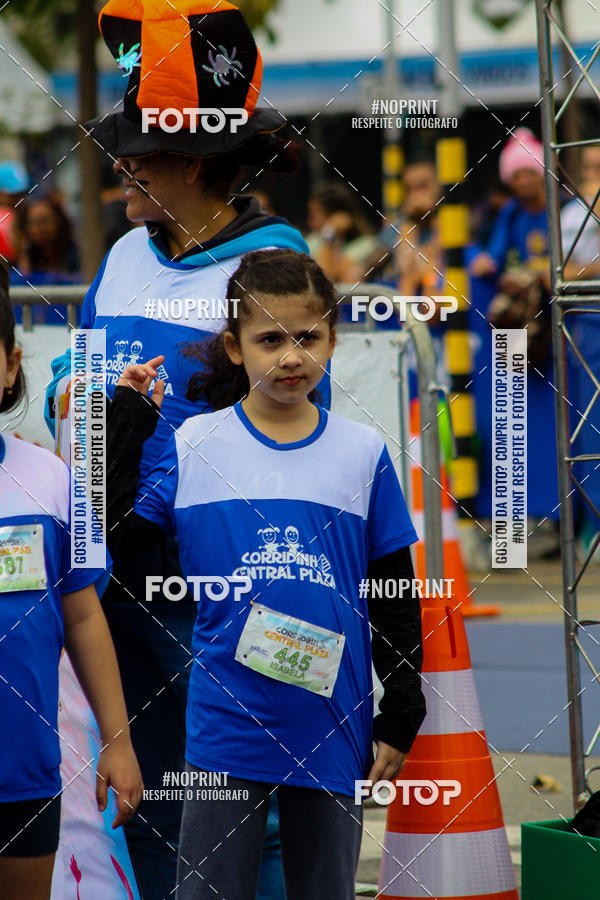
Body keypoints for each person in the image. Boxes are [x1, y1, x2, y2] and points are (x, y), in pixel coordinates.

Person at [44, 2, 325, 896]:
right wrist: (74, 394)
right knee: (152, 795)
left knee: (253, 805)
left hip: (213, 575)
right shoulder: (128, 252)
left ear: (198, 162)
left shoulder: (274, 263)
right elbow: (79, 364)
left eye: (142, 152)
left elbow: (285, 420)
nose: (119, 165)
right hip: (115, 566)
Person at [105, 248, 427, 900]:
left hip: (333, 724)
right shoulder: (194, 445)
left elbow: (393, 589)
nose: (290, 356)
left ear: (333, 340)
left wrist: (401, 710)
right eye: (269, 339)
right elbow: (110, 539)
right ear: (233, 347)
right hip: (226, 724)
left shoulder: (363, 453)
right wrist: (129, 421)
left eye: (307, 338)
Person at [0, 268, 143, 900]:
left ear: (10, 367)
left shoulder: (52, 482)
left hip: (25, 772)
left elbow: (83, 616)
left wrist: (117, 741)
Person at [469, 127, 561, 559]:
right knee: (506, 423)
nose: (524, 181)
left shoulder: (565, 213)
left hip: (552, 340)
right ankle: (507, 529)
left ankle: (553, 521)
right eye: (517, 175)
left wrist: (538, 271)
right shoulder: (506, 215)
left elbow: (566, 266)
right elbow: (489, 255)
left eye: (530, 172)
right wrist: (488, 264)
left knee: (548, 425)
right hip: (513, 337)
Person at [306, 181, 386, 283]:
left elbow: (326, 278)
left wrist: (330, 231)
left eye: (314, 215)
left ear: (337, 216)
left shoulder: (367, 243)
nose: (309, 222)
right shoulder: (312, 241)